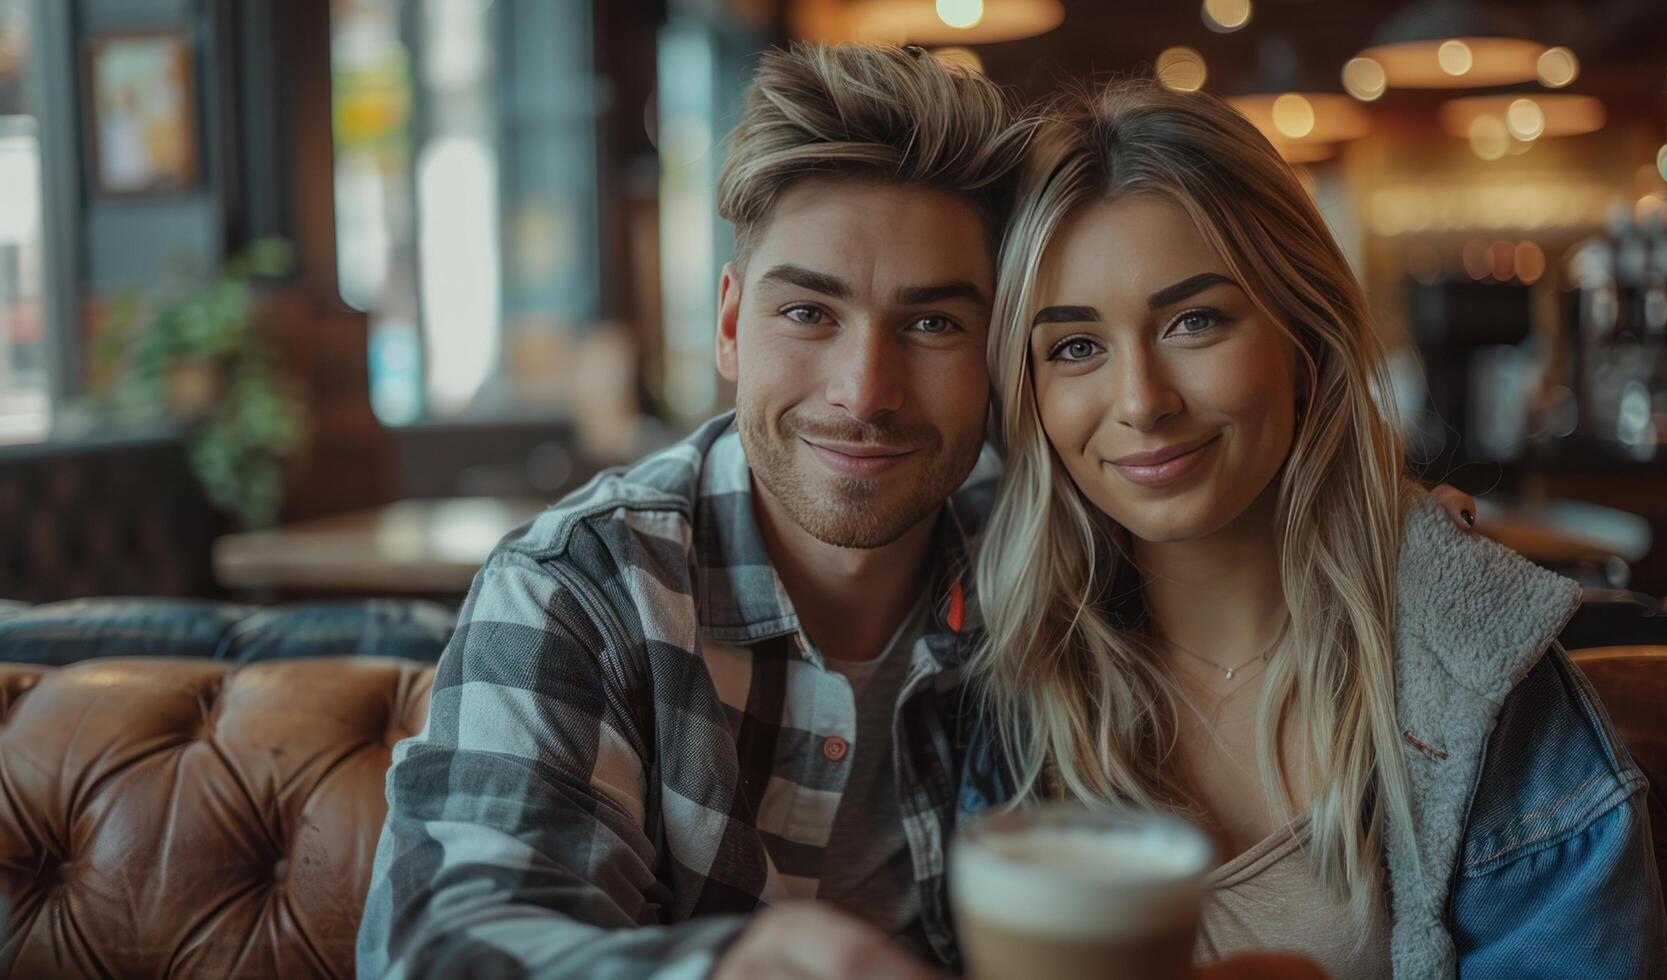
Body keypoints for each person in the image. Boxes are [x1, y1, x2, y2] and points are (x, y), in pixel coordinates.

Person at [358, 44, 1478, 979]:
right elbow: (450, 940)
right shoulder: (582, 587)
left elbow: (1248, 503)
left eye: (935, 325)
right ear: (733, 326)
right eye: (811, 312)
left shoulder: (1053, 558)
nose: (863, 391)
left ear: (1001, 359)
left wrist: (1404, 532)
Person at [965, 80, 1667, 979]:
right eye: (1074, 347)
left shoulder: (1469, 674)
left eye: (1194, 321)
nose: (1141, 401)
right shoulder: (1005, 673)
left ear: (1301, 339)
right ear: (1026, 395)